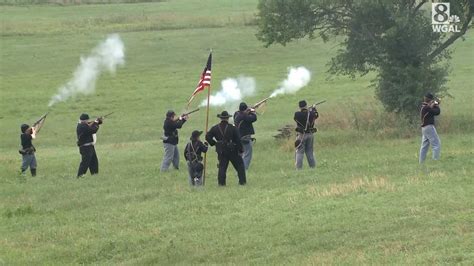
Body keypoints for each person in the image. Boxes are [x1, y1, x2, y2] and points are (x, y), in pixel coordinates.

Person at [206, 111, 246, 186]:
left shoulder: (215, 128)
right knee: (240, 166)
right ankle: (242, 182)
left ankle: (221, 184)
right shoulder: (232, 128)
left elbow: (207, 136)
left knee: (222, 168)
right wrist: (240, 149)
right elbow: (238, 139)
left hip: (221, 151)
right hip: (232, 150)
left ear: (220, 118)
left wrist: (215, 143)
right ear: (227, 118)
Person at [294, 100, 319, 169]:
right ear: (306, 105)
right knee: (310, 152)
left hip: (301, 135)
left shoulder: (297, 114)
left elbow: (296, 117)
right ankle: (313, 168)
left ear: (299, 107)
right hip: (310, 135)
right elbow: (316, 115)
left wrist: (304, 110)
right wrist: (313, 108)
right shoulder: (311, 113)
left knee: (299, 152)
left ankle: (298, 169)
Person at [76, 113, 102, 178]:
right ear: (85, 120)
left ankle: (94, 174)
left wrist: (98, 121)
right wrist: (96, 123)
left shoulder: (83, 125)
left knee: (94, 161)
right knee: (85, 162)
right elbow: (93, 130)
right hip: (85, 147)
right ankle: (80, 175)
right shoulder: (82, 126)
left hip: (90, 146)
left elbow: (91, 125)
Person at [233, 102, 257, 170]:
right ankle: (243, 169)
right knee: (247, 154)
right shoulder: (243, 115)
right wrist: (253, 111)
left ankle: (240, 168)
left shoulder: (237, 114)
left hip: (239, 137)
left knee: (242, 154)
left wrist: (248, 111)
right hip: (245, 137)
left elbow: (245, 116)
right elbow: (253, 118)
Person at [419, 93, 441, 164]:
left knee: (424, 146)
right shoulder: (427, 108)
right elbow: (437, 112)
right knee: (436, 144)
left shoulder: (424, 107)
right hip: (429, 127)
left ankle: (421, 162)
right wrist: (437, 105)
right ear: (430, 100)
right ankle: (435, 161)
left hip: (424, 128)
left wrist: (435, 104)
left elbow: (432, 109)